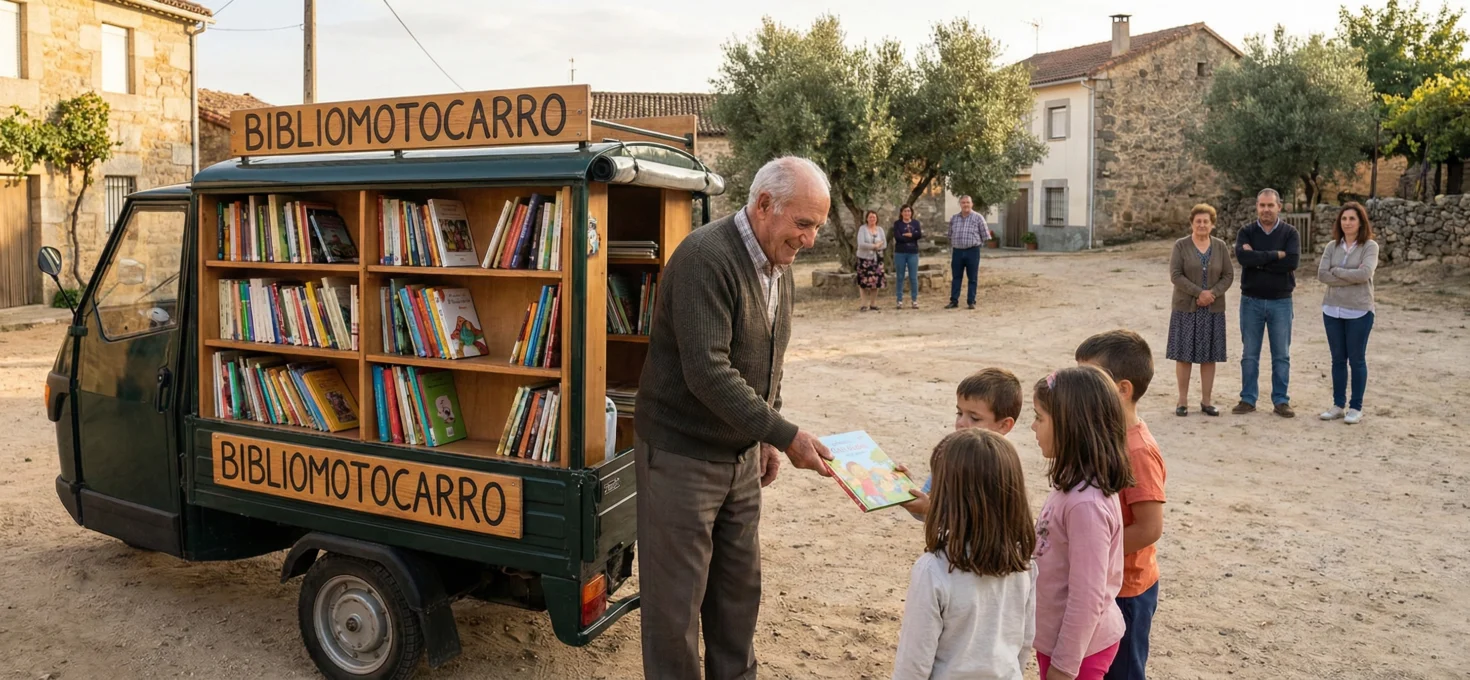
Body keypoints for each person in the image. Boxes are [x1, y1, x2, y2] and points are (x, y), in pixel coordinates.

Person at [633, 155, 836, 680]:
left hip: (741, 458)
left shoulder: (779, 264)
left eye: (817, 226)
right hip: (680, 457)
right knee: (674, 613)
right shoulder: (706, 256)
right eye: (804, 224)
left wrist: (764, 439)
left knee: (737, 597)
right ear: (765, 205)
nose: (811, 239)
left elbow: (770, 360)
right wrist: (785, 436)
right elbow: (708, 372)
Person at [892, 428, 1038, 680]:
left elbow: (913, 664)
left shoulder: (933, 570)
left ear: (946, 499)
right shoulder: (1024, 563)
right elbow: (1024, 643)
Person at [1075, 330, 1167, 680]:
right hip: (1103, 581)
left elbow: (1149, 527)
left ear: (1122, 389)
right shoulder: (1105, 436)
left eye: (1090, 380)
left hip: (1127, 589)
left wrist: (1096, 554)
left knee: (1123, 672)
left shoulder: (1138, 450)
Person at [1030, 366, 1132, 680]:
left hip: (1077, 651)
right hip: (1060, 639)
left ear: (1070, 426)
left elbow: (1087, 595)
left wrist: (1064, 666)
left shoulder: (1086, 503)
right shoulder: (1073, 485)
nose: (1033, 427)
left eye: (1039, 417)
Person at [899, 367, 1024, 521]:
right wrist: (907, 489)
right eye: (959, 413)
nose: (961, 423)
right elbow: (924, 509)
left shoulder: (1001, 464)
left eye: (975, 418)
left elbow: (982, 523)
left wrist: (930, 509)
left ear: (1004, 425)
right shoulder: (950, 453)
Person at [1233, 188, 1300, 417]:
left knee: (1281, 354)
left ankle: (1281, 400)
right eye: (1262, 205)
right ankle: (1248, 399)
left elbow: (1292, 262)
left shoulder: (1290, 233)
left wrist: (1258, 259)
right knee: (1250, 354)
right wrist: (1275, 255)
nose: (1266, 210)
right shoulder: (1247, 231)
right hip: (1250, 301)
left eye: (1270, 205)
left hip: (1281, 302)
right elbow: (1243, 258)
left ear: (1279, 207)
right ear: (1256, 207)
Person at [1166, 204, 1234, 416]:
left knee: (1209, 356)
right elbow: (1175, 275)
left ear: (1212, 224)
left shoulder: (1220, 246)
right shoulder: (1181, 246)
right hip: (1186, 309)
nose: (1202, 225)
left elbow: (1228, 275)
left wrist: (1212, 293)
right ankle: (1183, 401)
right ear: (1192, 223)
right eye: (1198, 221)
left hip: (1213, 309)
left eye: (1206, 221)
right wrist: (1199, 293)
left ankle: (1206, 401)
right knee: (1184, 355)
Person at [1317, 202, 1379, 425]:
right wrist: (1348, 275)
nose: (1347, 223)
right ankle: (1337, 405)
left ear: (1361, 222)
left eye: (1352, 219)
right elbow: (1322, 275)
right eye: (1344, 219)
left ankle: (1356, 407)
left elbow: (1365, 274)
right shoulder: (1331, 247)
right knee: (1337, 360)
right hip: (1332, 310)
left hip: (1359, 311)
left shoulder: (1370, 247)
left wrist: (1339, 272)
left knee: (1357, 359)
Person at [946, 195, 990, 310]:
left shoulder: (978, 218)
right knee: (956, 277)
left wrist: (976, 245)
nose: (965, 205)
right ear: (960, 204)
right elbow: (950, 235)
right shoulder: (954, 218)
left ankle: (971, 301)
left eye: (967, 202)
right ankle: (954, 301)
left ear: (972, 204)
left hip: (972, 251)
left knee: (972, 277)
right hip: (957, 252)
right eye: (963, 202)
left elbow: (985, 235)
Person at [856, 209, 887, 312]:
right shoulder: (862, 229)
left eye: (874, 217)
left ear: (877, 218)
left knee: (876, 282)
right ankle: (864, 304)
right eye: (870, 217)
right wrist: (874, 246)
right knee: (863, 283)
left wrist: (877, 247)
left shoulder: (880, 230)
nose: (872, 219)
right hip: (864, 259)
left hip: (877, 260)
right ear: (867, 218)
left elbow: (884, 244)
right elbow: (861, 244)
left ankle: (873, 304)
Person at [893, 205, 923, 309]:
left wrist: (908, 235)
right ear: (901, 213)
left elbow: (919, 235)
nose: (907, 213)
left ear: (911, 212)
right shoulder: (897, 224)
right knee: (900, 277)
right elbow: (898, 238)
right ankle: (899, 300)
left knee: (913, 277)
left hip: (913, 253)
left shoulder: (916, 223)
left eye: (909, 211)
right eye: (905, 211)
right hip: (900, 253)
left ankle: (914, 300)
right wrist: (911, 236)